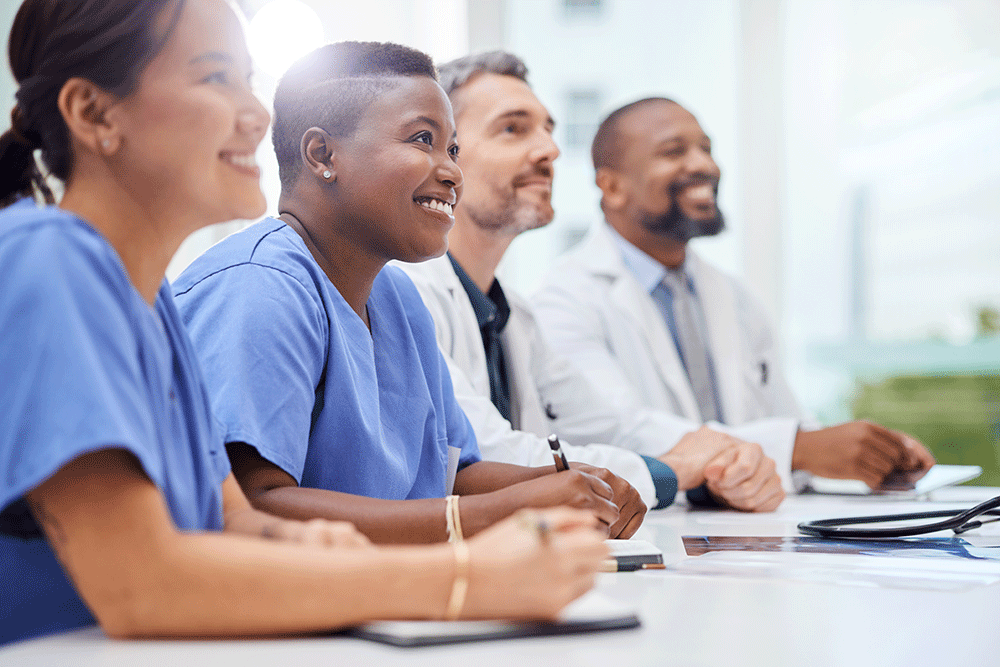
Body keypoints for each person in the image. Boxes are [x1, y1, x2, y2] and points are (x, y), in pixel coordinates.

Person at [0, 0, 606, 647]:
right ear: (94, 113)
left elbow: (235, 519)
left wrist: (318, 541)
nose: (258, 114)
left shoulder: (154, 308)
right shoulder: (46, 256)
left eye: (247, 80)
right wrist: (463, 577)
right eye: (214, 78)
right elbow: (140, 583)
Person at [172, 41, 645, 543]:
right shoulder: (259, 286)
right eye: (423, 139)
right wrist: (505, 510)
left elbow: (452, 474)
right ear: (322, 154)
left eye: (454, 149)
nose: (452, 171)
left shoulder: (397, 299)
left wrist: (572, 484)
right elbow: (253, 506)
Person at [397, 52, 784, 512]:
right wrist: (675, 469)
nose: (550, 150)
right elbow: (485, 457)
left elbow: (608, 426)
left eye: (548, 130)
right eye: (513, 128)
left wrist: (721, 462)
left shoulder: (515, 316)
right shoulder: (407, 292)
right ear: (446, 153)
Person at [532, 97, 936, 491]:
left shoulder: (734, 296)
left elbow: (788, 420)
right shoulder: (563, 300)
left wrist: (869, 456)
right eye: (674, 152)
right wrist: (798, 448)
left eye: (706, 149)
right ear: (612, 186)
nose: (704, 165)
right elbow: (615, 429)